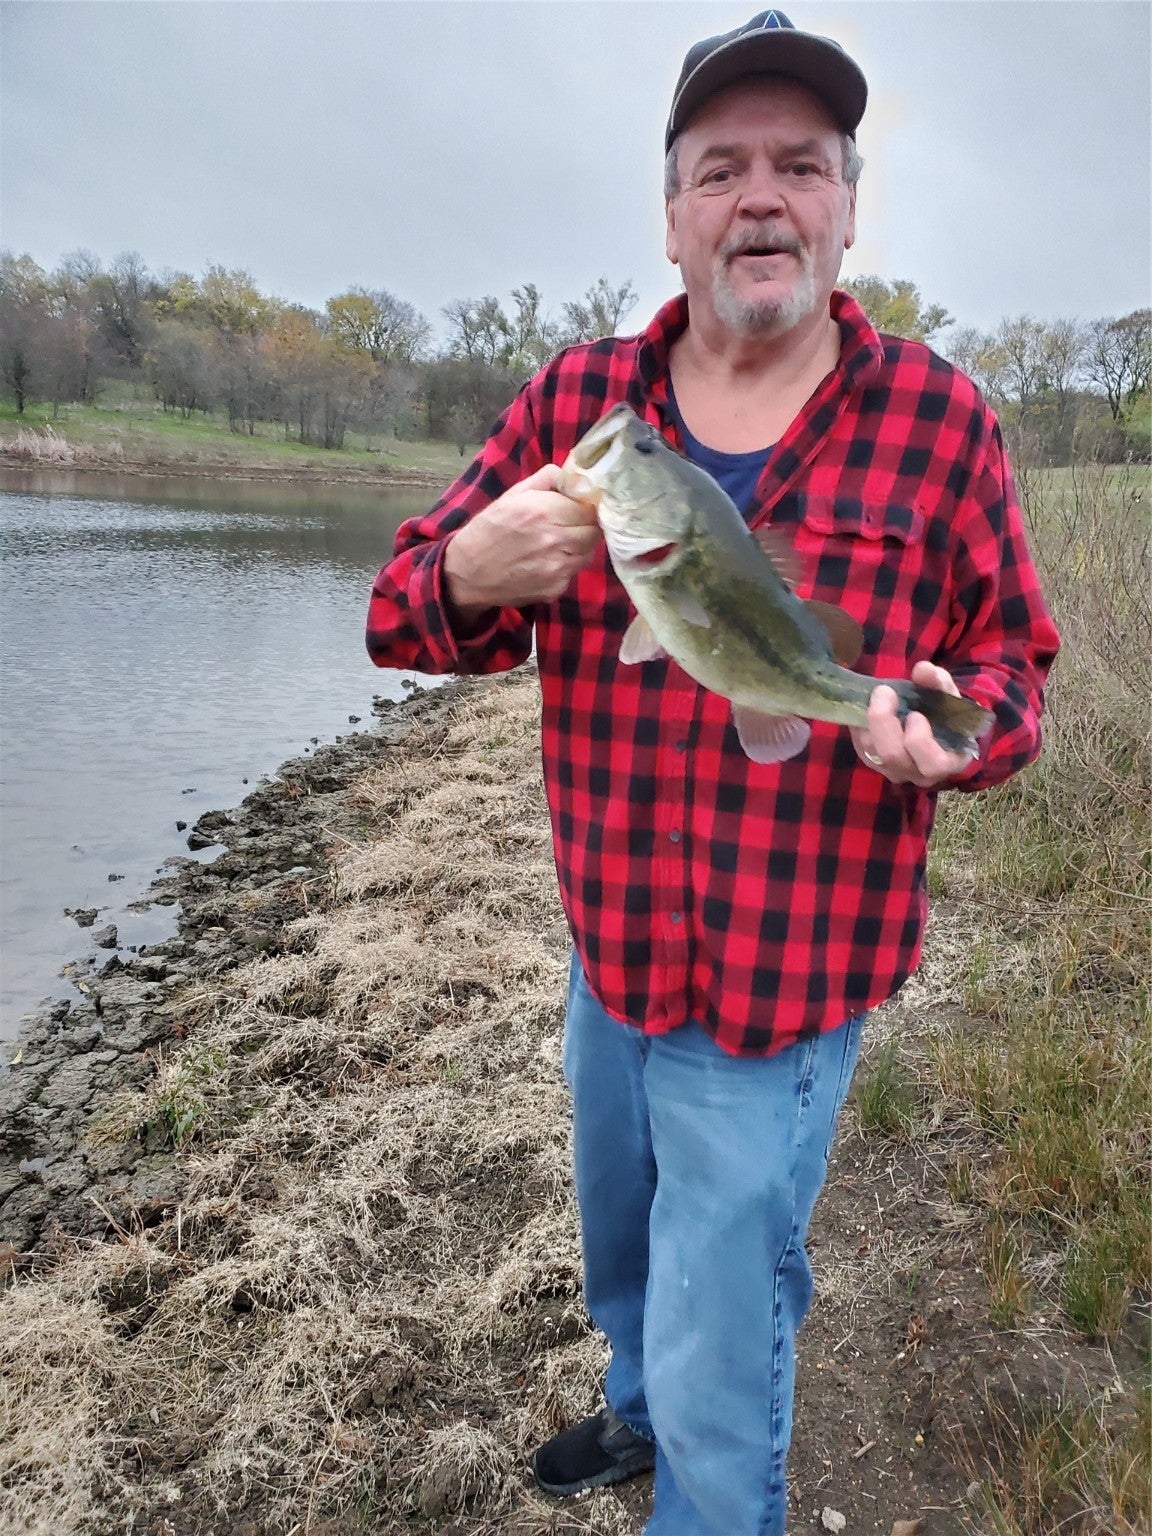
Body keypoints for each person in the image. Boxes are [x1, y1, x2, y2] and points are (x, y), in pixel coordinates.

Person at [365, 11, 1059, 1533]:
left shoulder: (942, 425)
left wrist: (953, 737)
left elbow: (1012, 675)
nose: (763, 198)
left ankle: (701, 1477)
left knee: (721, 1298)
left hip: (789, 977)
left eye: (799, 166)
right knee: (624, 1231)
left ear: (846, 205)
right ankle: (634, 1409)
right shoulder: (580, 412)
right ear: (672, 214)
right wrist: (475, 571)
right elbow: (397, 616)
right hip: (610, 949)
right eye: (722, 168)